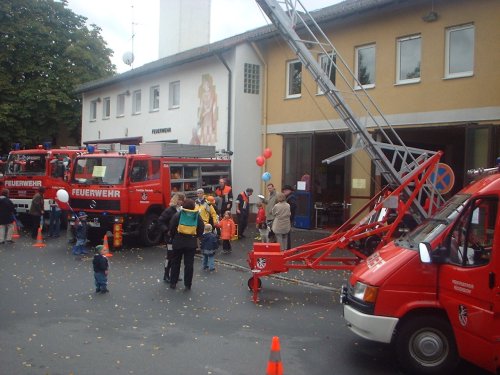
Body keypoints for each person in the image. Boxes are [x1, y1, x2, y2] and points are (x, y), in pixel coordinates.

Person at [168, 198, 205, 290]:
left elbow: (172, 227)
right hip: (191, 243)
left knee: (175, 262)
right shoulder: (196, 216)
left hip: (178, 242)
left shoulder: (178, 214)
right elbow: (201, 228)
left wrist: (173, 237)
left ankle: (173, 282)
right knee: (189, 264)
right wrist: (196, 236)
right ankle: (188, 284)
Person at [158, 192, 185, 283]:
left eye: (182, 200)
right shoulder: (169, 210)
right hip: (170, 237)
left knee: (177, 256)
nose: (182, 202)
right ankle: (166, 274)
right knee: (170, 256)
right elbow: (160, 221)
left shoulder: (181, 210)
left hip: (179, 236)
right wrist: (166, 231)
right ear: (177, 200)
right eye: (181, 200)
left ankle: (175, 274)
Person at [282, 185, 297, 249]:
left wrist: (285, 212)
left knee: (286, 234)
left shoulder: (291, 197)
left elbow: (292, 207)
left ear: (288, 190)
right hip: (288, 218)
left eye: (284, 191)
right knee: (286, 233)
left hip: (288, 218)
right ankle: (286, 247)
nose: (284, 192)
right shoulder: (290, 197)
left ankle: (287, 248)